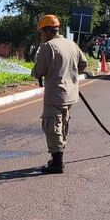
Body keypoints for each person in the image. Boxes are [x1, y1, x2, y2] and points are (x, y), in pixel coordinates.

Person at [31, 14, 87, 174]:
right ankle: (57, 158)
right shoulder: (71, 44)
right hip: (70, 94)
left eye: (41, 32)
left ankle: (57, 164)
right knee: (62, 124)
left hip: (55, 94)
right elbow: (83, 64)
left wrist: (35, 72)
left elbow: (39, 70)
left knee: (51, 125)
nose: (40, 36)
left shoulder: (48, 47)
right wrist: (70, 75)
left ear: (48, 31)